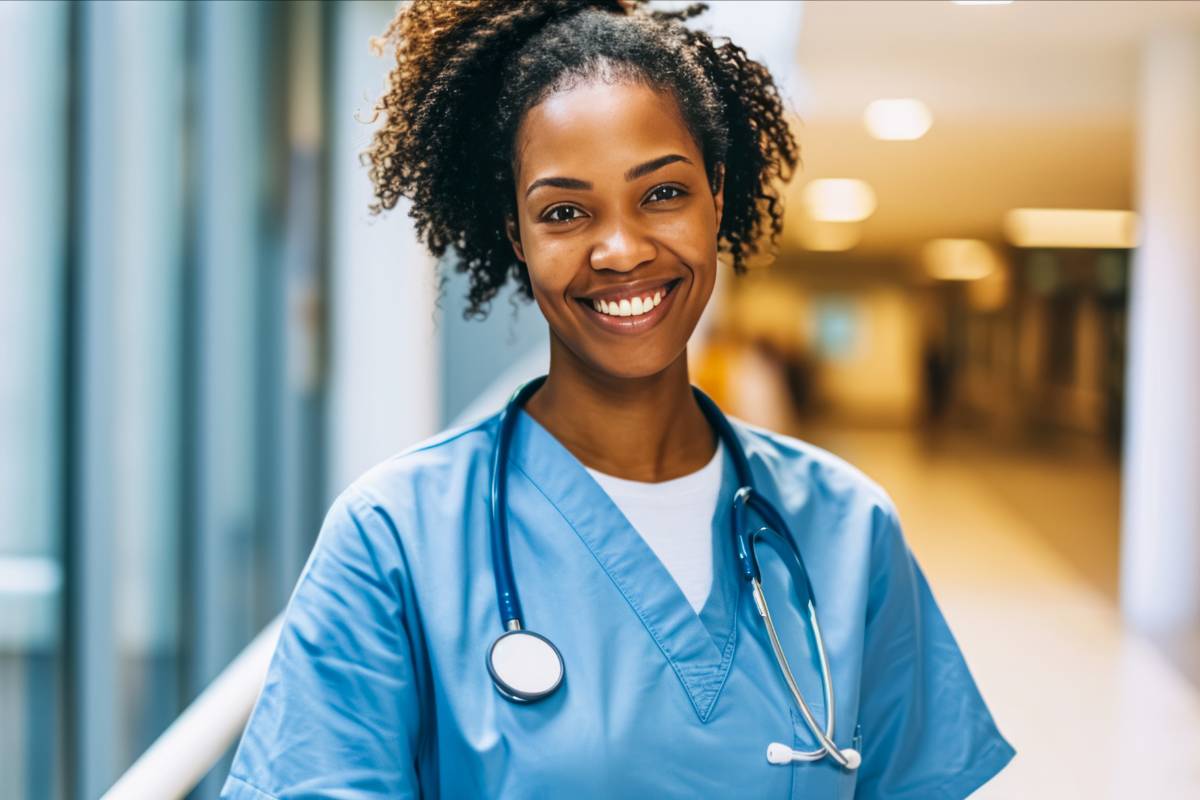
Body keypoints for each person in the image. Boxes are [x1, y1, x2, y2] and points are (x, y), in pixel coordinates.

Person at [222, 2, 1014, 797]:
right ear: (516, 233)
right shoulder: (394, 537)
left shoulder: (847, 529)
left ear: (716, 195)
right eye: (564, 212)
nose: (622, 250)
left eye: (662, 193)